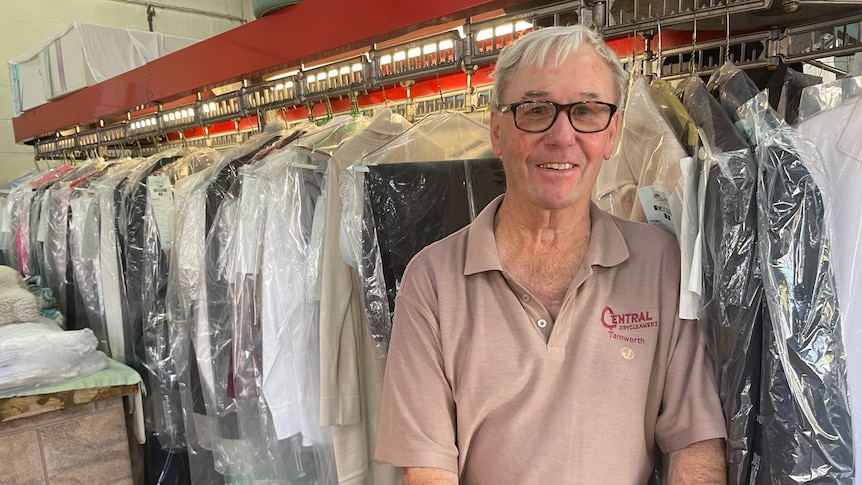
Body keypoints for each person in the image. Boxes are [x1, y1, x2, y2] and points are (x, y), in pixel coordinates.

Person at [375, 25, 727, 484]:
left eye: (586, 110)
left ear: (612, 133)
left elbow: (694, 444)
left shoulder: (663, 265)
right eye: (536, 110)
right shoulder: (432, 282)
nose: (562, 136)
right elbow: (427, 469)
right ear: (497, 131)